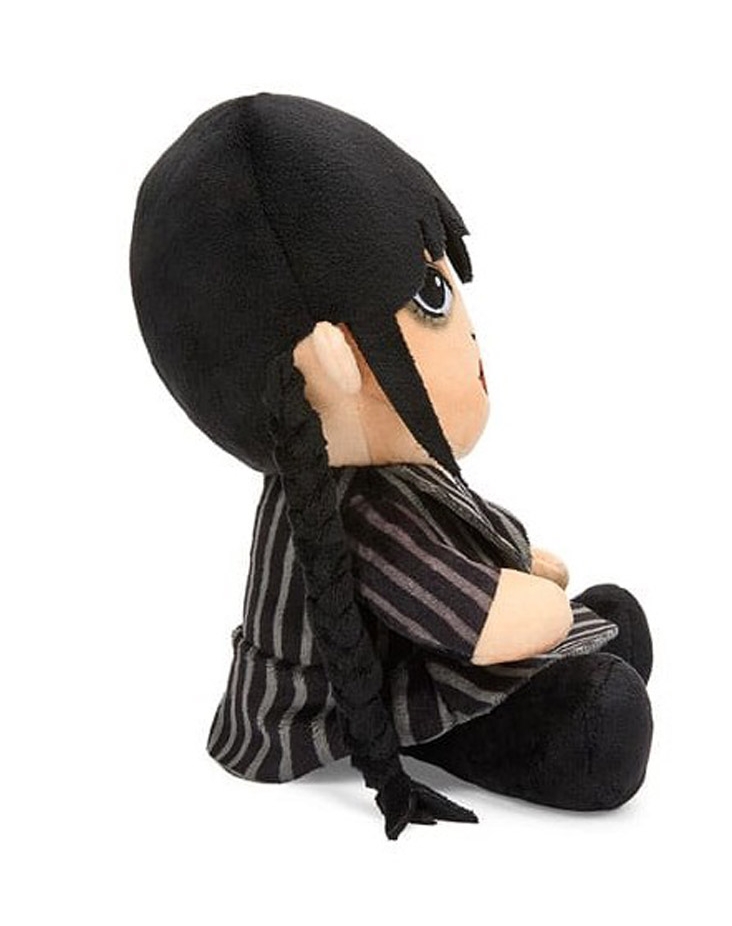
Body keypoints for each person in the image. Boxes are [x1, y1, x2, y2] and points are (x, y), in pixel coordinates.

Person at [130, 93, 653, 840]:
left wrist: (518, 562)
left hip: (409, 640)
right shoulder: (351, 509)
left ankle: (573, 674)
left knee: (613, 620)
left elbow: (446, 526)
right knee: (602, 715)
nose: (471, 338)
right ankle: (527, 727)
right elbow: (459, 614)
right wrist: (521, 604)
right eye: (431, 298)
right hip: (376, 688)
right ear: (330, 364)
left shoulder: (381, 471)